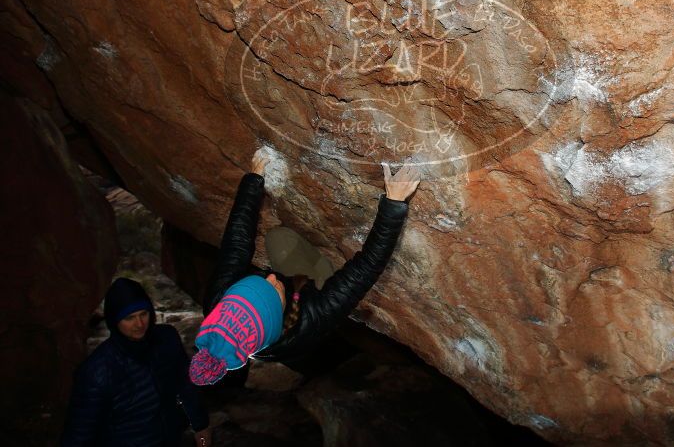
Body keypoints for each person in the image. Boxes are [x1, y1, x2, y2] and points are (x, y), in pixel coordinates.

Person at [188, 152, 420, 385]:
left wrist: (254, 177)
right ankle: (322, 270)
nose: (269, 276)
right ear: (277, 316)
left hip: (291, 291)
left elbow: (236, 241)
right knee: (336, 282)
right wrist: (394, 203)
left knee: (278, 240)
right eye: (271, 291)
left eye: (256, 281)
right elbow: (364, 270)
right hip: (309, 294)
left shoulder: (219, 300)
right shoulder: (305, 325)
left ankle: (283, 282)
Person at [62, 278, 211, 446]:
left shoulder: (166, 339)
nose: (139, 324)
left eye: (143, 314)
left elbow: (185, 385)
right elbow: (80, 431)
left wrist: (201, 428)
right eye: (130, 318)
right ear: (115, 322)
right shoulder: (97, 370)